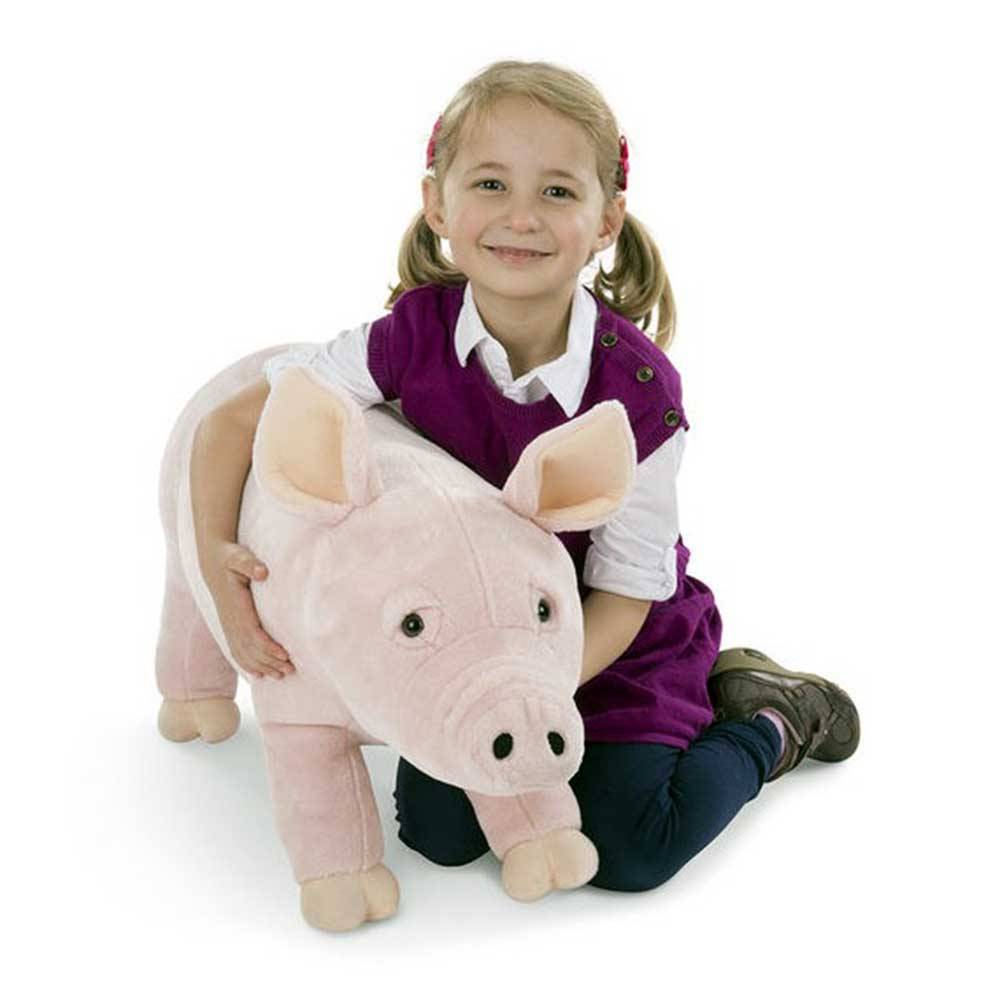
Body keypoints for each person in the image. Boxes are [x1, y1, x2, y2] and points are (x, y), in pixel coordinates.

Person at [190, 59, 860, 892]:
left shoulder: (639, 394)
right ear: (438, 204)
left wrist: (527, 689)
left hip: (610, 638)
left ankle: (766, 718)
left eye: (557, 192)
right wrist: (217, 566)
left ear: (606, 219)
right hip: (473, 647)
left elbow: (627, 589)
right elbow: (231, 423)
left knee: (633, 848)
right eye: (491, 183)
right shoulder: (406, 338)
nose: (520, 217)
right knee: (438, 834)